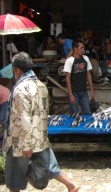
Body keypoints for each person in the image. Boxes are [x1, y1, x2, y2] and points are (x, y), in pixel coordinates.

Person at [3, 52, 80, 192]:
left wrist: (26, 145)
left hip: (20, 141)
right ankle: (71, 185)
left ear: (17, 70)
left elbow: (23, 117)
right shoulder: (40, 85)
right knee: (50, 166)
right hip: (40, 136)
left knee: (14, 178)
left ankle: (71, 186)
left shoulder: (21, 89)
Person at [63, 39, 95, 115]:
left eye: (83, 48)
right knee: (75, 114)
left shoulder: (86, 58)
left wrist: (91, 89)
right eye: (81, 48)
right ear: (75, 49)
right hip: (74, 92)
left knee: (87, 112)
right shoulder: (69, 61)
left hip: (84, 91)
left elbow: (88, 74)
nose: (83, 50)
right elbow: (67, 78)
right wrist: (70, 95)